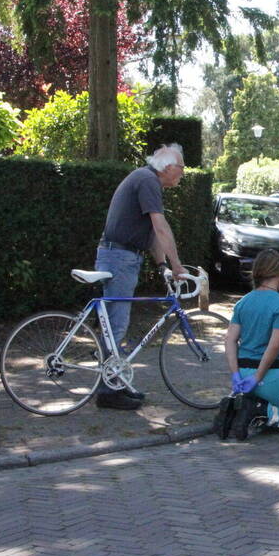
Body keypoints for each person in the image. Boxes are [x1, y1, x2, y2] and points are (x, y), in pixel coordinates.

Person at [94, 143, 186, 410]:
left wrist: (162, 265)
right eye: (181, 168)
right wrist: (177, 265)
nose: (182, 174)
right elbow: (160, 226)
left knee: (115, 323)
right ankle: (108, 391)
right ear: (168, 167)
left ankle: (114, 383)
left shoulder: (146, 179)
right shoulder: (148, 181)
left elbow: (151, 233)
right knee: (117, 324)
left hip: (121, 256)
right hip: (120, 258)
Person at [220, 249, 279, 440]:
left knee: (269, 399)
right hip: (271, 377)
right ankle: (259, 410)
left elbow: (230, 340)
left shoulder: (243, 303)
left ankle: (245, 409)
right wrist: (258, 376)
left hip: (243, 375)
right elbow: (275, 345)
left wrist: (236, 374)